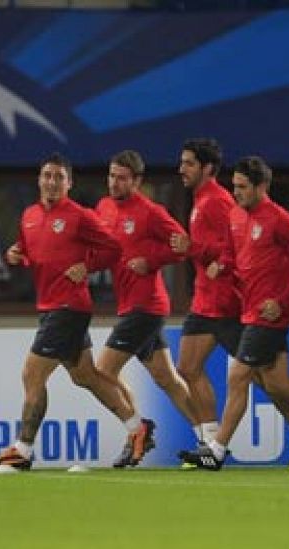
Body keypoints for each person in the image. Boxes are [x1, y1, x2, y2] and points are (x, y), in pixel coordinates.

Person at [178, 157, 289, 470]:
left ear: (262, 187)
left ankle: (217, 450)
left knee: (237, 376)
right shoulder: (235, 216)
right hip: (250, 310)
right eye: (234, 186)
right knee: (277, 383)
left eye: (243, 187)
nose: (236, 193)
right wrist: (221, 265)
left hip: (271, 313)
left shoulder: (281, 220)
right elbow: (232, 254)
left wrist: (282, 301)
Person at [0, 153, 155, 472]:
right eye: (47, 175)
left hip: (69, 307)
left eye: (58, 177)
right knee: (85, 377)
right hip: (51, 306)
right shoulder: (29, 215)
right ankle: (138, 428)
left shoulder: (79, 216)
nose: (51, 182)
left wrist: (88, 267)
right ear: (39, 180)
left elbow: (113, 248)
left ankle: (22, 451)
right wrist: (17, 255)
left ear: (69, 183)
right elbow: (31, 251)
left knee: (32, 374)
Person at [169, 138, 289, 469]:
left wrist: (199, 251)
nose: (182, 169)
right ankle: (210, 443)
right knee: (188, 368)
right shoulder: (200, 200)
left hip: (229, 304)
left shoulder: (221, 202)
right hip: (204, 300)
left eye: (189, 163)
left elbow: (234, 245)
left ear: (207, 168)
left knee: (267, 380)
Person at [93, 150, 203, 458]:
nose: (114, 183)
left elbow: (182, 244)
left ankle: (138, 429)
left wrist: (151, 260)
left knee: (102, 371)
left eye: (122, 178)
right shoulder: (103, 207)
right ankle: (207, 437)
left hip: (147, 306)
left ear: (137, 181)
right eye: (112, 176)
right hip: (130, 305)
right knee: (167, 379)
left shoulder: (150, 212)